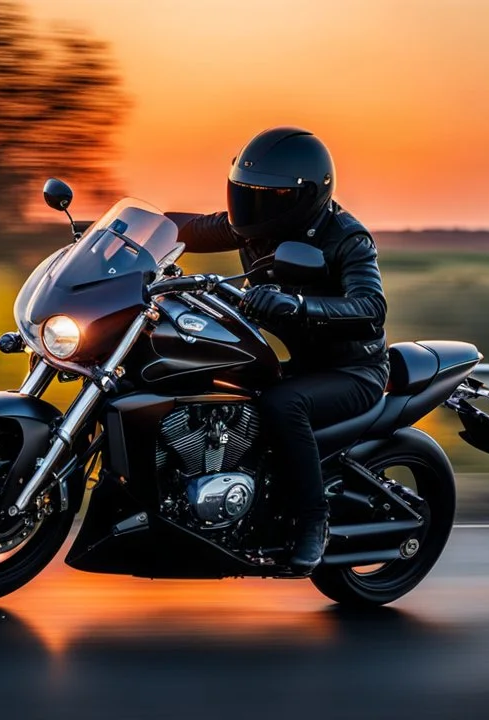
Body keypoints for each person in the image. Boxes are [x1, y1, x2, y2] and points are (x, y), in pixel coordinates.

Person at [173, 127, 389, 572]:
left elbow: (371, 306)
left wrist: (299, 304)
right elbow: (186, 228)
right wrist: (114, 233)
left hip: (351, 370)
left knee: (281, 404)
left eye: (268, 197)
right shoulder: (252, 226)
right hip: (295, 361)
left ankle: (314, 520)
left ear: (304, 197)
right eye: (246, 194)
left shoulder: (346, 238)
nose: (254, 206)